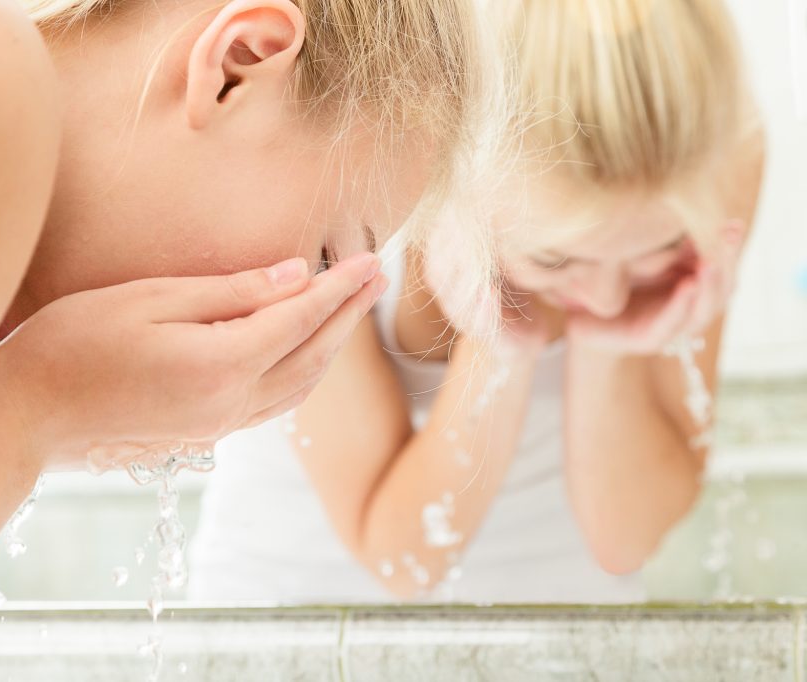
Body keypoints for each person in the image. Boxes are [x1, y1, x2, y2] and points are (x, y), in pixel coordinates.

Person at [0, 0, 500, 679]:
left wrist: (25, 410)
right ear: (239, 64)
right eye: (323, 260)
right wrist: (20, 417)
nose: (294, 329)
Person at [189, 0, 766, 604]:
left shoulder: (714, 147)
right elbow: (403, 561)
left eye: (657, 248)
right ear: (463, 174)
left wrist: (609, 348)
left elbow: (624, 542)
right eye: (556, 257)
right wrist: (498, 346)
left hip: (571, 621)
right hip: (290, 617)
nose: (606, 297)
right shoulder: (329, 156)